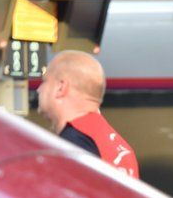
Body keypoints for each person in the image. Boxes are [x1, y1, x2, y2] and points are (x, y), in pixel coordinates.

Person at [37, 50, 139, 178]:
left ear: (60, 88)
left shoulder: (74, 143)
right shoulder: (121, 147)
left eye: (45, 81)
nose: (39, 89)